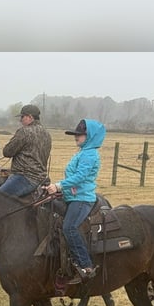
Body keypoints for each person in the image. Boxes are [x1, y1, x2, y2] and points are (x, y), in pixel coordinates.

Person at [45, 118, 106, 283]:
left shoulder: (90, 154)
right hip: (73, 196)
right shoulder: (83, 152)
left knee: (69, 227)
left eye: (80, 134)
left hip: (82, 199)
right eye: (76, 134)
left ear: (90, 136)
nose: (76, 137)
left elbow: (80, 177)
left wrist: (58, 186)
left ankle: (86, 265)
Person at [0, 104, 51, 197]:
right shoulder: (47, 134)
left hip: (24, 178)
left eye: (22, 117)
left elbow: (7, 152)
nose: (20, 120)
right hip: (41, 178)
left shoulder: (24, 131)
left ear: (30, 117)